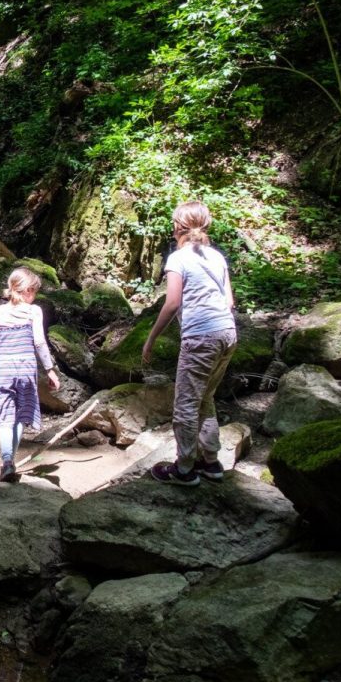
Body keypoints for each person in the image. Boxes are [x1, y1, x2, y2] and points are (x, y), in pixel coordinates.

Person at [142, 201, 237, 486]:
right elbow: (229, 302)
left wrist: (150, 339)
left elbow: (172, 303)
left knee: (185, 403)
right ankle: (211, 462)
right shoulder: (216, 257)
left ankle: (184, 469)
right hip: (227, 333)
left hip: (201, 337)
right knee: (205, 398)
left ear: (177, 227)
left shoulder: (178, 258)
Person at [0, 267, 61, 482]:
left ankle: (7, 462)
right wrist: (50, 370)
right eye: (34, 291)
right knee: (20, 414)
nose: (34, 296)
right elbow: (39, 342)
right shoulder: (33, 311)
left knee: (5, 415)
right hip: (26, 367)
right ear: (27, 290)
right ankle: (10, 463)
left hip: (4, 367)